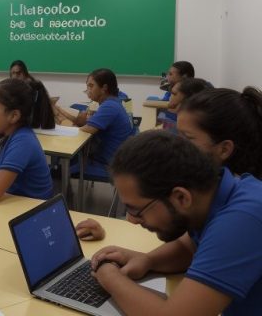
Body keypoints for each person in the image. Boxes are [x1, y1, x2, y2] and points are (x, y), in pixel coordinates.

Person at [87, 131, 262, 316]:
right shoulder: (216, 195)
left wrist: (109, 276)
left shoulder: (241, 220)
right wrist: (148, 260)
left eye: (136, 210)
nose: (132, 219)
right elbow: (188, 247)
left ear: (181, 197)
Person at [75, 86, 262, 242]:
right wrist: (110, 235)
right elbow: (182, 244)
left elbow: (169, 230)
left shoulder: (238, 213)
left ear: (224, 149)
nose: (176, 144)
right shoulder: (214, 186)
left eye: (187, 138)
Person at [56, 68, 132, 177]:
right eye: (87, 86)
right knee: (64, 160)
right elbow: (88, 124)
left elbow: (86, 130)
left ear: (104, 88)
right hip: (112, 159)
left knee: (58, 168)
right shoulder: (113, 102)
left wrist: (60, 129)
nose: (88, 90)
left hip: (107, 165)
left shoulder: (109, 106)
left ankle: (62, 179)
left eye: (91, 86)